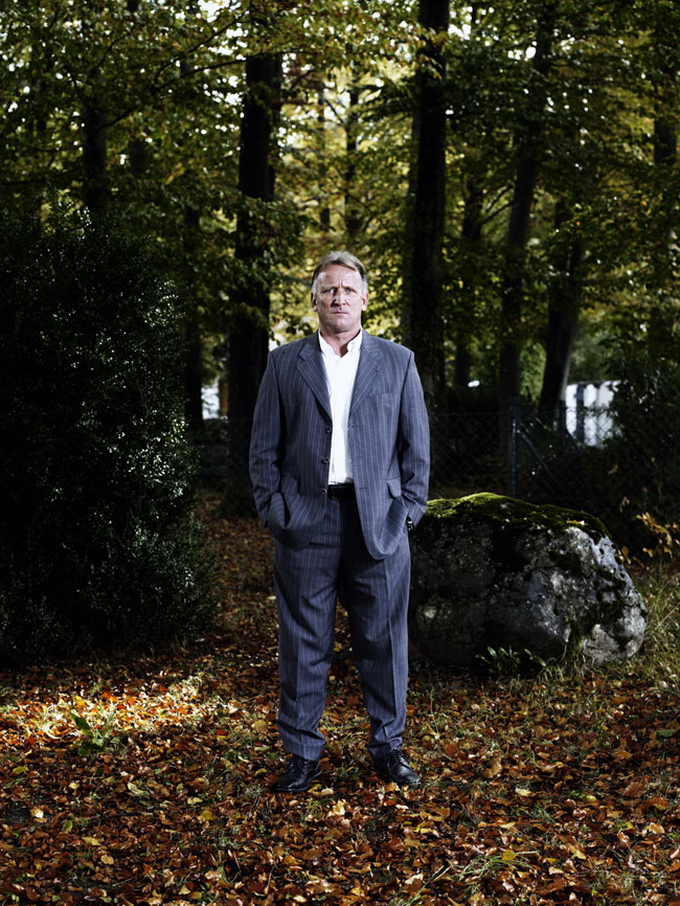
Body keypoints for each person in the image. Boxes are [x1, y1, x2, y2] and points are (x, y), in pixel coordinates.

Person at [249, 250, 430, 792]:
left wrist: (408, 512)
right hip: (306, 519)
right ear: (314, 300)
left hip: (379, 521)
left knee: (384, 641)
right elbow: (263, 449)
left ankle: (389, 747)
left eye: (349, 289)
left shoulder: (398, 362)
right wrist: (274, 510)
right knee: (303, 644)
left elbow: (416, 449)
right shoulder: (284, 363)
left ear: (365, 299)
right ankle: (302, 754)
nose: (339, 297)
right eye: (329, 288)